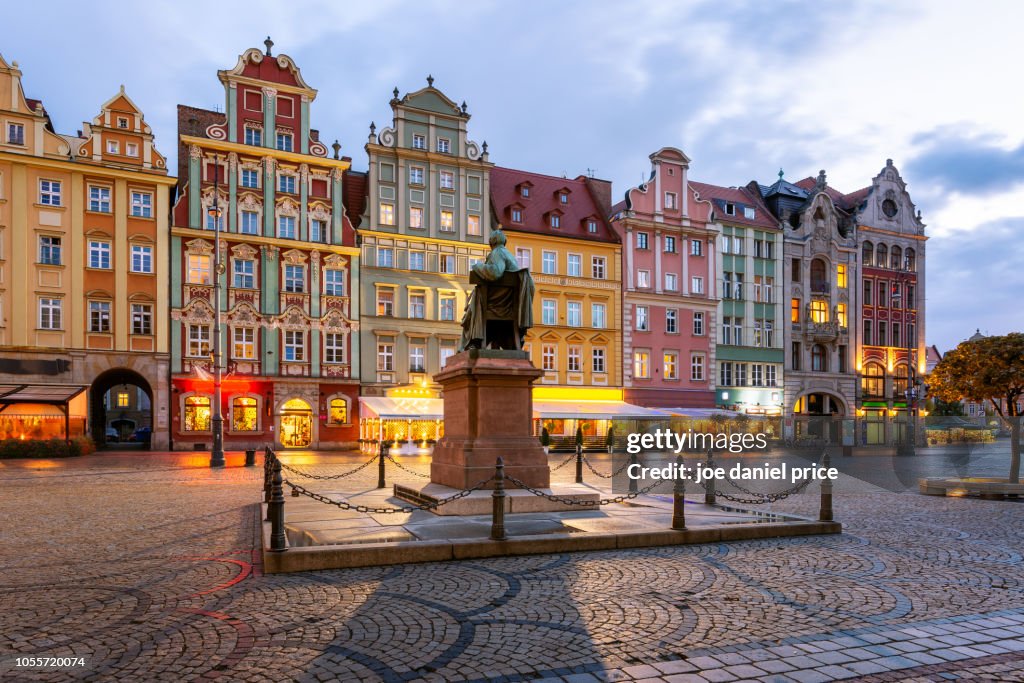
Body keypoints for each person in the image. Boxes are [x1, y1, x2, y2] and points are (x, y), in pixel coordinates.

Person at [459, 229, 534, 351]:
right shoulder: (510, 256)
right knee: (473, 305)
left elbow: (495, 273)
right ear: (504, 242)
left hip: (496, 304)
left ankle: (473, 343)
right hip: (508, 304)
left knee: (472, 309)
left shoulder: (497, 253)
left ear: (491, 243)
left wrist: (478, 266)